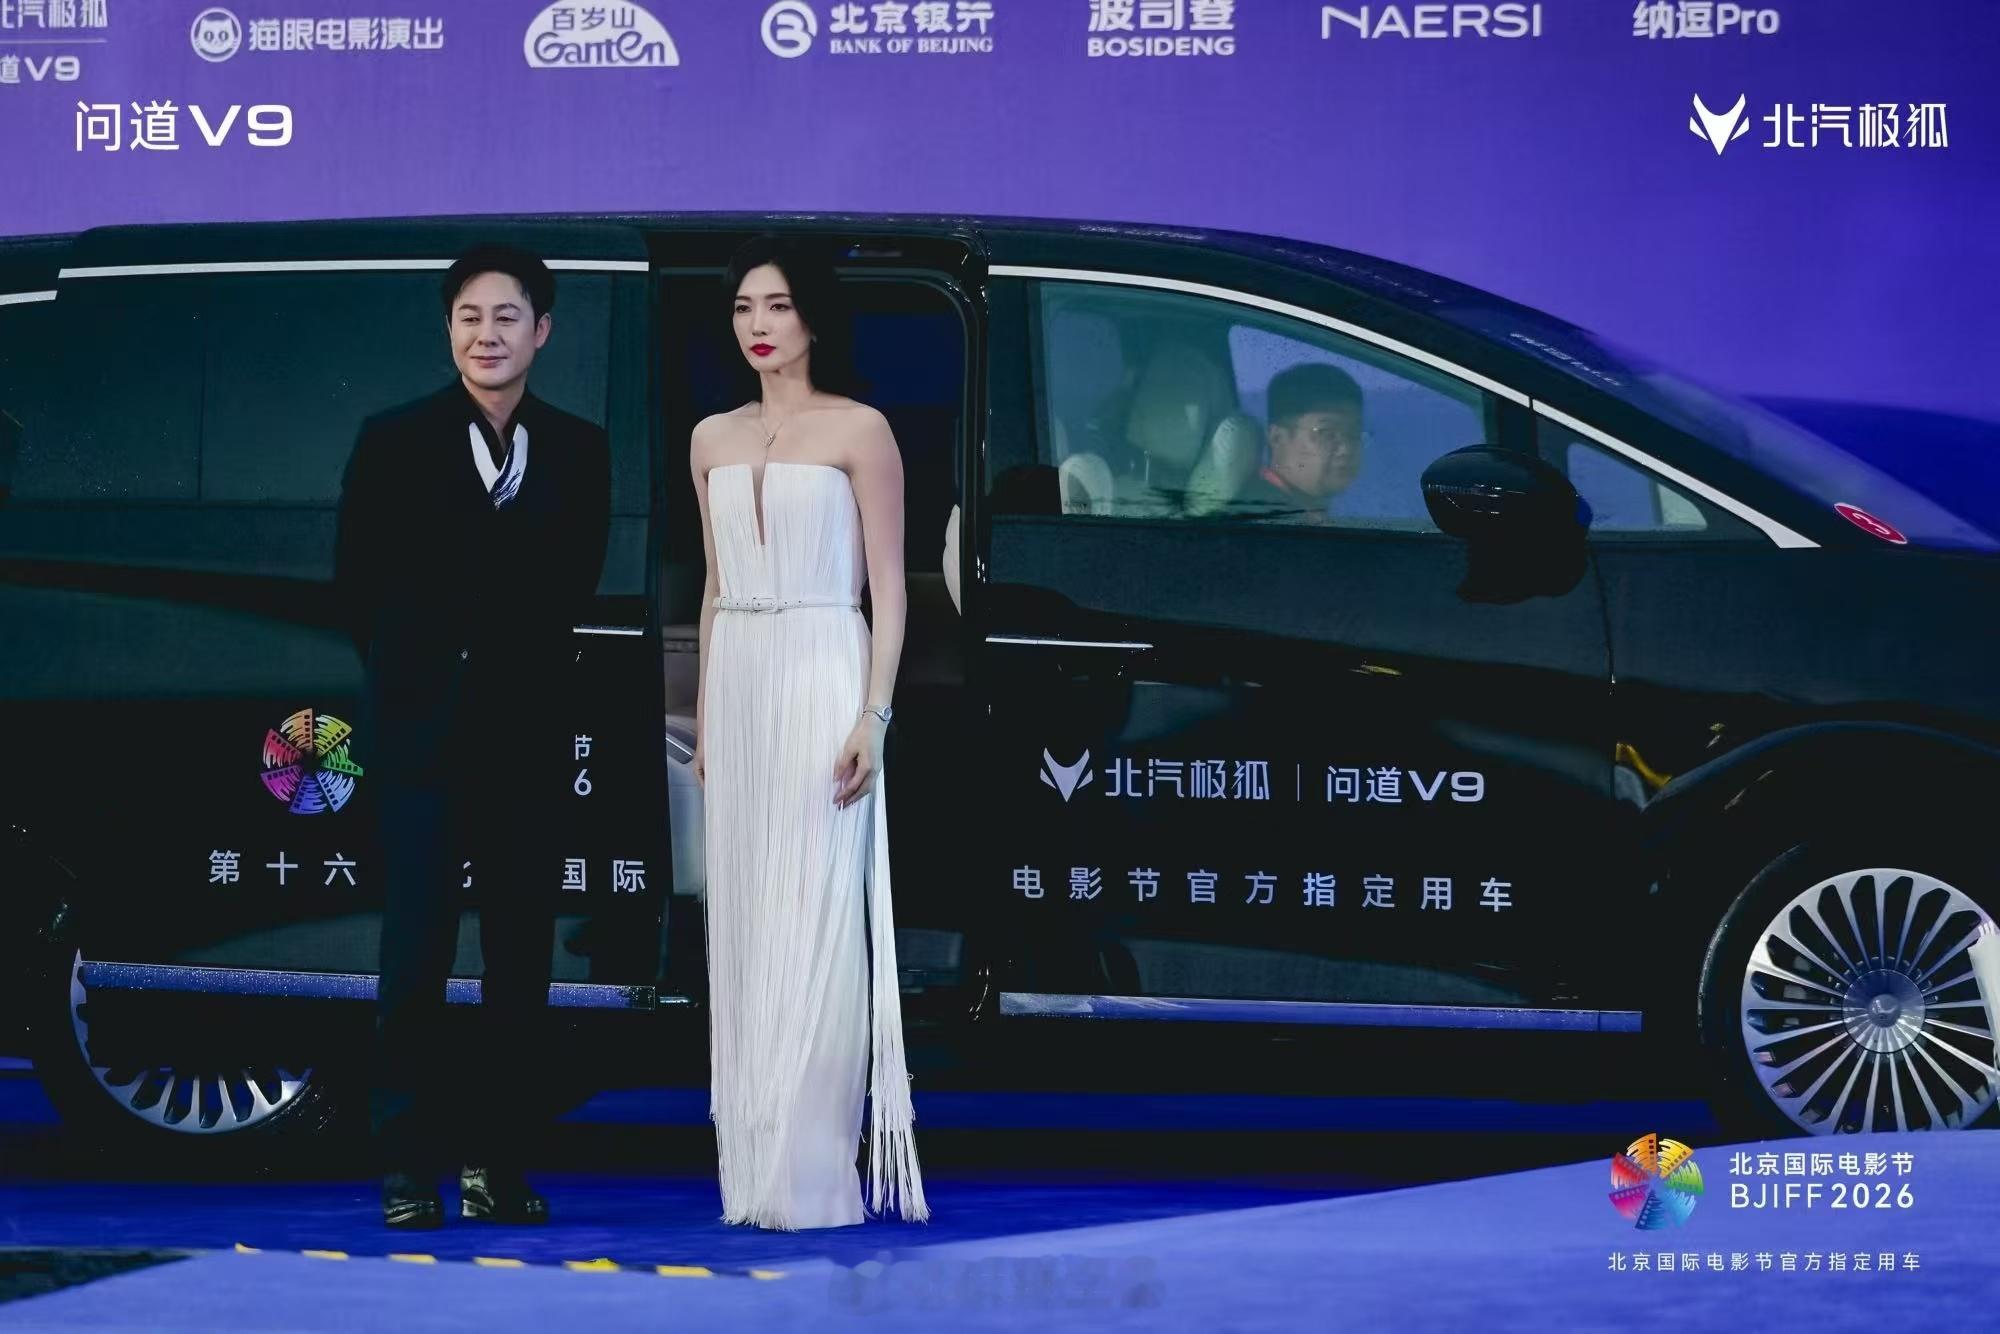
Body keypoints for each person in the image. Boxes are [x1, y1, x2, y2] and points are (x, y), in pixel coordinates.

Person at [334, 244, 610, 1230]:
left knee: (520, 966)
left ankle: (499, 1165)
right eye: (469, 317)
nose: (486, 335)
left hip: (525, 744)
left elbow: (573, 584)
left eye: (506, 317)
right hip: (422, 743)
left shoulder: (578, 448)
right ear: (448, 329)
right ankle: (407, 1169)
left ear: (542, 331)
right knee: (413, 961)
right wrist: (421, 684)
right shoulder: (394, 439)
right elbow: (356, 586)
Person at [688, 234, 928, 1230]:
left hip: (826, 661)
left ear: (814, 319)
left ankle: (814, 1173)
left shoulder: (861, 428)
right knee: (749, 919)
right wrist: (706, 716)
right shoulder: (711, 436)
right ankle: (753, 1171)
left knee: (820, 916)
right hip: (741, 678)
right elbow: (712, 588)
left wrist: (874, 713)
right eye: (744, 306)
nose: (758, 324)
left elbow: (890, 588)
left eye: (778, 305)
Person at [1232, 362, 1366, 523]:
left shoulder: (1297, 514)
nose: (1346, 449)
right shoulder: (1261, 520)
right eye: (1326, 433)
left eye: (1354, 434)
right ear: (1277, 438)